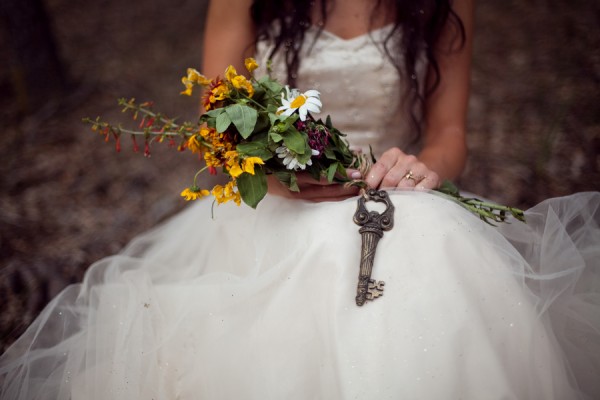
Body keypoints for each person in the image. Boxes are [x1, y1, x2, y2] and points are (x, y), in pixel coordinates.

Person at [1, 0, 599, 399]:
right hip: (275, 196)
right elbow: (213, 131)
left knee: (435, 262)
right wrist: (276, 175)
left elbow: (449, 133)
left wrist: (421, 169)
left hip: (394, 189)